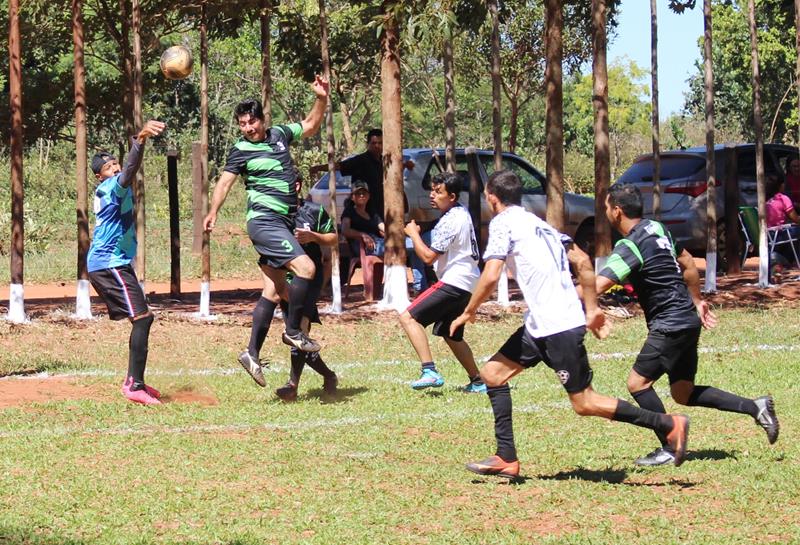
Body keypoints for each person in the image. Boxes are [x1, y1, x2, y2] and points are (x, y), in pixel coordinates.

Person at [449, 170, 690, 479]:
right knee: (492, 375)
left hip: (557, 326)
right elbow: (583, 262)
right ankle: (506, 457)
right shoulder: (541, 225)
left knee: (585, 402)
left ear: (491, 197)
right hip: (540, 324)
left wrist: (469, 311)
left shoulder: (503, 223)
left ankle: (669, 424)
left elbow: (492, 273)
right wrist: (591, 310)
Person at [596, 182, 779, 466]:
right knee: (683, 392)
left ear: (617, 211)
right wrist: (696, 301)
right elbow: (689, 264)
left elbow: (600, 284)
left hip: (669, 324)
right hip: (686, 320)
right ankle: (755, 406)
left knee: (638, 384)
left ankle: (671, 444)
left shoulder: (630, 245)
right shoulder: (658, 230)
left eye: (606, 207)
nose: (605, 212)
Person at [203, 76, 329, 369]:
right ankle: (294, 331)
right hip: (264, 220)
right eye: (243, 124)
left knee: (273, 290)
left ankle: (251, 354)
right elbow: (224, 184)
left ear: (262, 119)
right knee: (306, 268)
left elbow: (310, 125)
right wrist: (213, 212)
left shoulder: (280, 134)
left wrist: (321, 98)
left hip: (281, 224)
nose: (248, 128)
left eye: (252, 122)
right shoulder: (240, 150)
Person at [87, 119, 166, 405]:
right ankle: (134, 385)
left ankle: (136, 381)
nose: (116, 168)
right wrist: (141, 139)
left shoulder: (113, 186)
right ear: (100, 176)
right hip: (109, 264)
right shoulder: (110, 188)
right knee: (143, 319)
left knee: (143, 319)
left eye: (116, 164)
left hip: (112, 263)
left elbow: (129, 169)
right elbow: (131, 169)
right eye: (109, 167)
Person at [400, 172, 485, 393]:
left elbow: (428, 258)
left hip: (455, 281)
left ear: (453, 196)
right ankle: (477, 381)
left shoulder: (453, 220)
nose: (432, 195)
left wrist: (413, 235)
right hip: (467, 282)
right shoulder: (458, 213)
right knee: (452, 333)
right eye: (432, 190)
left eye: (438, 192)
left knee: (409, 317)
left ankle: (429, 371)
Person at [341, 181, 385, 258]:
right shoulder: (349, 212)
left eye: (364, 193)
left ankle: (414, 269)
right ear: (352, 197)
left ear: (368, 196)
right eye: (358, 193)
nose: (361, 195)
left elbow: (383, 227)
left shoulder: (372, 213)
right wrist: (363, 235)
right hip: (364, 246)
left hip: (379, 242)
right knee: (401, 247)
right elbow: (345, 230)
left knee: (410, 244)